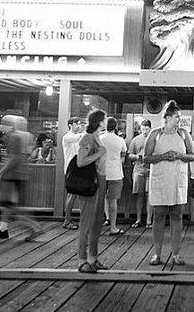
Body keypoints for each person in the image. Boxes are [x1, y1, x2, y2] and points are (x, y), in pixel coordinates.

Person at [144, 100, 194, 266]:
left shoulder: (184, 133)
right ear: (167, 117)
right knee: (158, 215)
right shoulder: (155, 134)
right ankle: (157, 254)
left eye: (179, 117)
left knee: (177, 214)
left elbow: (191, 156)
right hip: (160, 178)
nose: (179, 120)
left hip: (178, 179)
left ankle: (176, 254)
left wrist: (179, 156)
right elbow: (146, 157)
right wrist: (163, 156)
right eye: (177, 117)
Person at [0, 115, 43, 241]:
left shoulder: (14, 137)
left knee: (12, 207)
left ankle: (34, 227)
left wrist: (1, 172)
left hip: (13, 176)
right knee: (8, 205)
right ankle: (2, 229)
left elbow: (15, 158)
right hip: (18, 175)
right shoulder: (18, 136)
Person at [76, 109, 108, 273]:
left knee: (96, 221)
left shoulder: (97, 137)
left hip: (100, 180)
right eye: (104, 118)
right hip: (90, 182)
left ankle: (93, 257)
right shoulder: (87, 138)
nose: (106, 121)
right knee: (87, 222)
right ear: (99, 121)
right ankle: (82, 260)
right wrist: (100, 153)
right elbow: (81, 162)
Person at [101, 117, 127, 235]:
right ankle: (113, 227)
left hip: (101, 173)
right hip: (116, 173)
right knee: (113, 201)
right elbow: (123, 155)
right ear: (116, 126)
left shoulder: (99, 139)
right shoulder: (120, 140)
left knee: (98, 201)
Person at [128, 119, 153, 228]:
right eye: (143, 129)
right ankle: (138, 219)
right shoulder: (135, 140)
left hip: (151, 169)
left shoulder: (154, 140)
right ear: (140, 129)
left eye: (147, 129)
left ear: (150, 129)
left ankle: (149, 220)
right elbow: (129, 155)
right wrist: (137, 157)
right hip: (138, 168)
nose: (145, 131)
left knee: (149, 195)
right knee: (139, 194)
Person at [62, 117, 82, 230]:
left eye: (79, 124)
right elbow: (80, 137)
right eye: (76, 124)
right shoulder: (67, 137)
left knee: (76, 195)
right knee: (71, 195)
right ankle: (67, 220)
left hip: (78, 169)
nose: (78, 126)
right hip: (71, 170)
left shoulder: (76, 138)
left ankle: (69, 219)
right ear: (70, 125)